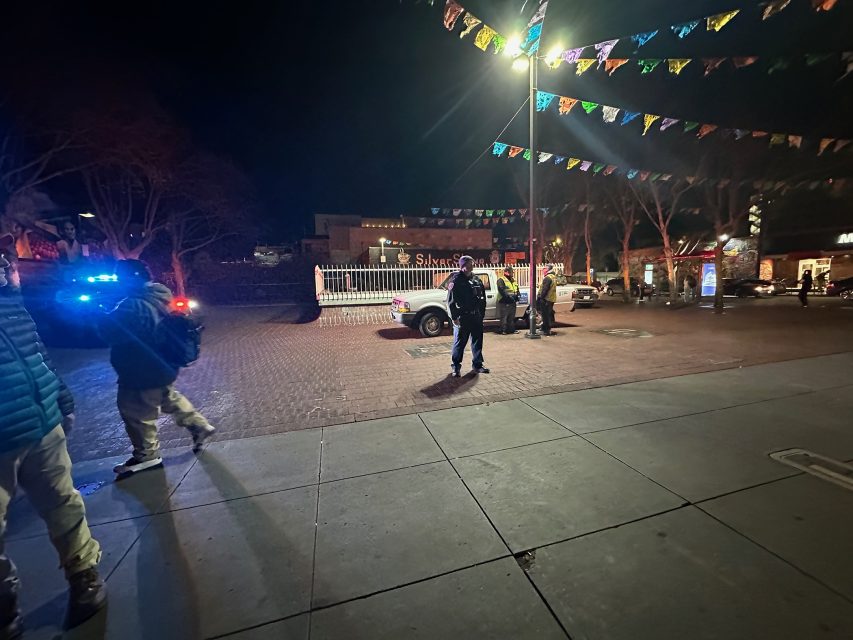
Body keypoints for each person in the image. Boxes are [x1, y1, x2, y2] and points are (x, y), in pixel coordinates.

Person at [0, 234, 106, 635]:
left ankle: (84, 576)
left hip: (42, 422)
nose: (8, 267)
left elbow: (37, 353)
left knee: (64, 504)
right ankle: (5, 604)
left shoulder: (11, 306)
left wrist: (61, 398)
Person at [99, 260, 215, 475]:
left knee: (135, 411)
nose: (117, 283)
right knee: (167, 396)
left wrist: (99, 315)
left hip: (140, 368)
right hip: (163, 363)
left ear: (130, 279)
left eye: (119, 278)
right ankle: (199, 425)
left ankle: (147, 455)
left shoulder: (133, 304)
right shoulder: (161, 296)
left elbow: (109, 333)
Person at [446, 255, 489, 377]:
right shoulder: (456, 281)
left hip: (476, 317)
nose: (473, 265)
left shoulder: (476, 279)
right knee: (459, 343)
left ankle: (478, 365)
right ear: (463, 265)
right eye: (471, 263)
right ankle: (456, 367)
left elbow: (482, 298)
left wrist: (481, 314)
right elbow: (451, 302)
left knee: (477, 341)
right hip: (463, 318)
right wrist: (454, 318)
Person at [495, 266, 519, 335]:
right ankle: (503, 330)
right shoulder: (501, 280)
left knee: (511, 317)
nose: (513, 273)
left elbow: (516, 288)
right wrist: (509, 297)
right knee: (504, 317)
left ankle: (511, 330)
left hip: (512, 301)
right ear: (507, 272)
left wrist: (518, 295)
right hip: (504, 301)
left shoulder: (513, 280)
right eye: (511, 272)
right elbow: (501, 290)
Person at [537, 264, 558, 336]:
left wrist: (541, 297)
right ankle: (545, 328)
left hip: (546, 299)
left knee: (545, 315)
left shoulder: (548, 278)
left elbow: (545, 289)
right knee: (547, 315)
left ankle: (546, 330)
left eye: (544, 268)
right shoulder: (553, 277)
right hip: (551, 299)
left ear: (548, 269)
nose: (543, 270)